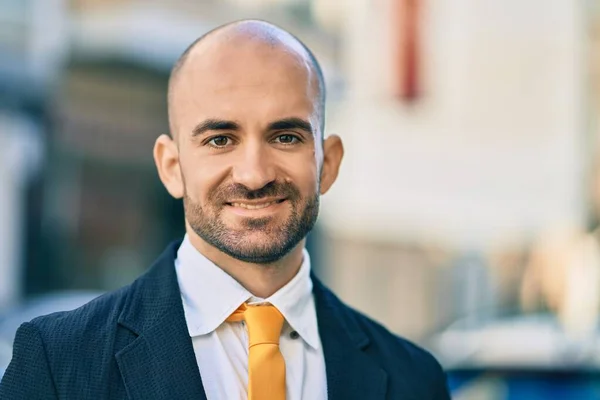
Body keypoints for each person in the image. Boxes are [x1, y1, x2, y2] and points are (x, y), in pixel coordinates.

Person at [0, 20, 450, 399]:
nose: (254, 175)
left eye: (286, 137)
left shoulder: (413, 380)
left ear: (327, 164)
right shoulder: (59, 365)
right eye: (220, 140)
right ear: (172, 167)